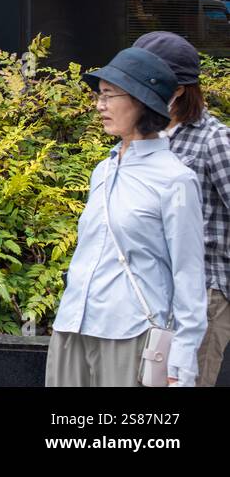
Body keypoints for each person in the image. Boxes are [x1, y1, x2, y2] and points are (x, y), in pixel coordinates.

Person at [46, 47, 206, 386]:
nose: (99, 105)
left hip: (130, 334)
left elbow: (189, 276)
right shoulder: (102, 170)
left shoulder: (175, 179)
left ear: (141, 101)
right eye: (98, 95)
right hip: (72, 327)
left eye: (108, 95)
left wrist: (180, 364)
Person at [133, 31, 230, 387]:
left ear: (177, 89)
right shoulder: (148, 136)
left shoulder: (214, 139)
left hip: (205, 293)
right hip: (155, 290)